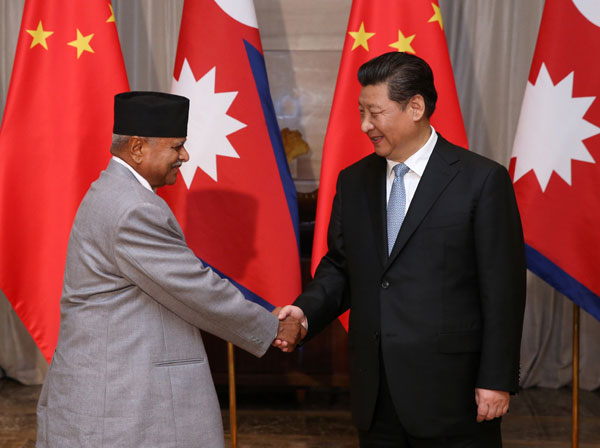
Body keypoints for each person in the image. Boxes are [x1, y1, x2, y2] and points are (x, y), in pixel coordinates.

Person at [276, 52, 526, 447]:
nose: (365, 125)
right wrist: (306, 311)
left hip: (453, 393)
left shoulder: (481, 181)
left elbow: (503, 290)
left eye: (375, 113)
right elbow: (341, 266)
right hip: (375, 392)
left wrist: (496, 379)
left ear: (415, 107)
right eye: (361, 112)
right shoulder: (354, 181)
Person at [36, 91, 304, 448]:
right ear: (137, 148)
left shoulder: (115, 192)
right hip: (120, 398)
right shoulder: (132, 208)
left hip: (115, 387)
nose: (185, 156)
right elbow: (195, 288)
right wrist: (272, 327)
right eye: (176, 146)